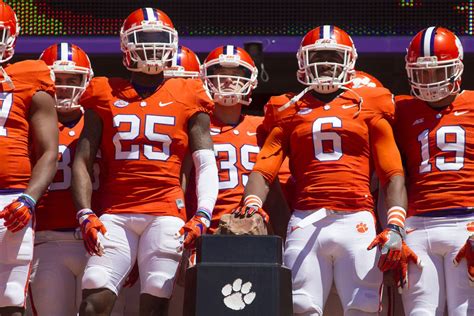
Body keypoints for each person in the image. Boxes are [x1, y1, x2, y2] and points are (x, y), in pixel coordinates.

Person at [239, 25, 407, 315]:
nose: (326, 64)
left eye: (333, 56)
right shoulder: (288, 107)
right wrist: (252, 204)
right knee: (301, 305)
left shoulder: (368, 103)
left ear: (349, 61)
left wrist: (395, 224)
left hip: (356, 219)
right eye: (318, 56)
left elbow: (393, 171)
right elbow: (265, 167)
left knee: (364, 307)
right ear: (303, 62)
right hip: (306, 220)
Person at [71, 7, 218, 316]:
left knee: (155, 297)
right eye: (144, 39)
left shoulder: (190, 91)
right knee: (94, 293)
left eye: (159, 39)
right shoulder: (104, 91)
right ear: (126, 45)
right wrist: (85, 212)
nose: (152, 47)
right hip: (115, 212)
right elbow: (82, 159)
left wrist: (202, 214)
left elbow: (205, 163)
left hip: (165, 211)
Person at [394, 26, 474, 315]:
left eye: (439, 71)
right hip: (418, 225)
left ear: (457, 69)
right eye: (422, 72)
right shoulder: (401, 109)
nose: (429, 80)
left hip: (468, 223)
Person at [27, 42, 96, 316]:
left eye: (73, 79)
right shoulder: (29, 124)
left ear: (86, 80)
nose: (65, 87)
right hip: (47, 239)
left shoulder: (100, 118)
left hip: (97, 239)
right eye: (58, 79)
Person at [0, 3, 58, 316]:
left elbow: (49, 150)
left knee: (11, 298)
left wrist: (29, 199)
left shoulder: (30, 77)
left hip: (11, 199)